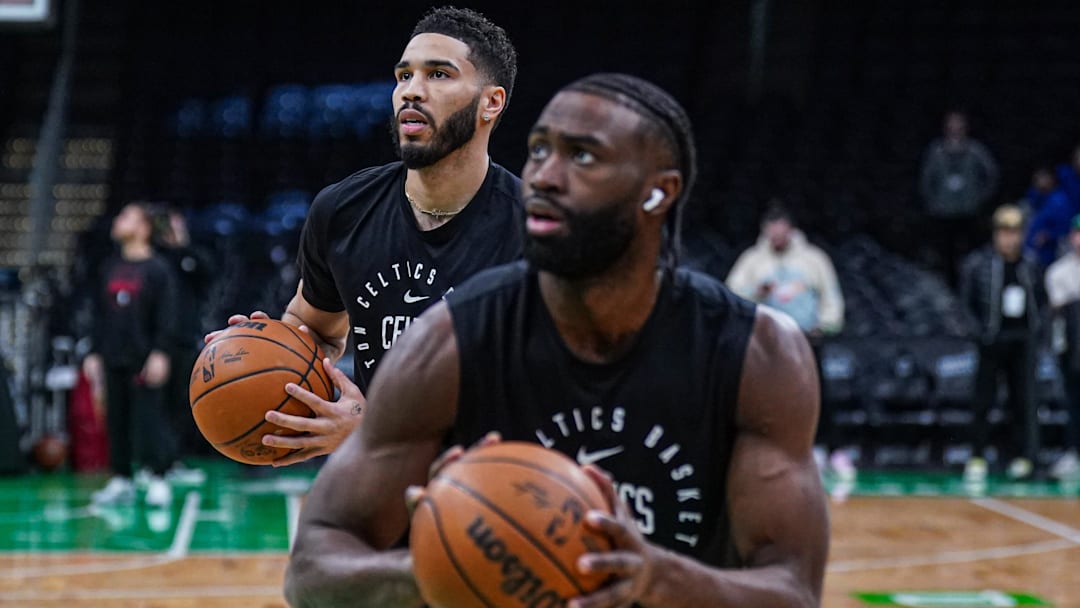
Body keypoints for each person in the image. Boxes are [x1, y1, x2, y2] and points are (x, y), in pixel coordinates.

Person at [285, 74, 828, 608]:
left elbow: (793, 590)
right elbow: (312, 566)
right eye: (540, 150)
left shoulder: (757, 354)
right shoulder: (449, 342)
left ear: (659, 190)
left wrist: (655, 578)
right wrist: (445, 564)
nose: (544, 175)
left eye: (582, 156)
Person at [205, 6, 522, 466]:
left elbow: (546, 394)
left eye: (438, 75)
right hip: (376, 488)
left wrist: (377, 428)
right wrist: (267, 350)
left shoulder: (534, 232)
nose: (411, 91)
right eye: (403, 76)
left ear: (491, 103)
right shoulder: (342, 211)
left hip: (490, 490)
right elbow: (315, 327)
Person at [725, 203, 849, 479]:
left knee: (816, 395)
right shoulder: (752, 261)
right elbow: (731, 295)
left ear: (790, 230)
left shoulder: (813, 259)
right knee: (766, 398)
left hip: (807, 338)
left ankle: (827, 449)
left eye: (781, 230)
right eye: (772, 231)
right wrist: (756, 291)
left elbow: (831, 294)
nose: (776, 236)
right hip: (766, 342)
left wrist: (827, 325)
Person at [82, 202, 179, 506]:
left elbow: (167, 315)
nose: (118, 221)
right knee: (116, 420)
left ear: (143, 227)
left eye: (126, 217)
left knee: (150, 419)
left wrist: (161, 352)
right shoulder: (109, 267)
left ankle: (158, 476)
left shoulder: (158, 269)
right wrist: (94, 353)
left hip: (144, 356)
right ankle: (122, 478)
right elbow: (98, 315)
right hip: (112, 356)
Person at [959, 204, 1047, 481]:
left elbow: (1043, 303)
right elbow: (966, 304)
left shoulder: (1030, 265)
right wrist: (979, 333)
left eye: (1014, 232)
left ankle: (1024, 457)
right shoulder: (978, 264)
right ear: (996, 234)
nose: (1009, 238)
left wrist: (1035, 333)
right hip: (991, 341)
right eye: (1004, 232)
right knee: (983, 399)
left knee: (1023, 400)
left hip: (1022, 341)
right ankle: (977, 455)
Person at [919, 110, 999, 285]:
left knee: (971, 250)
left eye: (959, 125)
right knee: (946, 252)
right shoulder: (936, 151)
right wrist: (933, 202)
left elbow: (991, 175)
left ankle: (974, 282)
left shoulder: (976, 151)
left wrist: (980, 199)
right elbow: (926, 179)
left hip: (969, 211)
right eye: (952, 125)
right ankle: (950, 283)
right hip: (943, 212)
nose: (955, 129)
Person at [1045, 215, 1080, 479]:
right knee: (1074, 402)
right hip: (1071, 348)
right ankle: (1072, 454)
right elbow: (1059, 310)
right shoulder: (1059, 271)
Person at [1023, 166, 1074, 268]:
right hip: (1031, 250)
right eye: (1037, 179)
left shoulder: (1060, 199)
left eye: (1044, 178)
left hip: (1051, 251)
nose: (1041, 181)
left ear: (1051, 179)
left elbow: (1066, 227)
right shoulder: (1036, 197)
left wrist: (1048, 235)